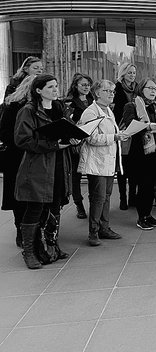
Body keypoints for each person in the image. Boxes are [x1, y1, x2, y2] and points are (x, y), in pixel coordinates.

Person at [14, 74, 73, 269]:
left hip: (58, 164)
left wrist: (73, 137)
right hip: (38, 166)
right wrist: (54, 144)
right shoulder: (28, 111)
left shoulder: (59, 108)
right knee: (35, 208)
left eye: (56, 86)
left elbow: (68, 130)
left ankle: (51, 247)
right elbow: (23, 140)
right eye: (50, 87)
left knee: (55, 207)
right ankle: (29, 252)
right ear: (38, 90)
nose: (56, 90)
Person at [77, 80, 129, 246]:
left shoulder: (108, 110)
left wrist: (120, 134)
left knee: (106, 196)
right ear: (97, 93)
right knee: (98, 197)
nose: (111, 94)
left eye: (113, 91)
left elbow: (109, 132)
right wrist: (114, 137)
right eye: (107, 91)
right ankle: (93, 232)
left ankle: (104, 228)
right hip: (97, 161)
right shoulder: (90, 112)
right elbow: (90, 138)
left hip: (108, 159)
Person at [121, 78, 156, 230]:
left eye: (155, 89)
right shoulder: (131, 105)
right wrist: (148, 127)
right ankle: (141, 217)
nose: (152, 91)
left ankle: (148, 215)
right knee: (143, 186)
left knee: (151, 185)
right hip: (139, 152)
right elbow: (130, 124)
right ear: (141, 89)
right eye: (149, 88)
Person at [0, 75, 36, 248]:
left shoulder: (41, 106)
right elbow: (4, 131)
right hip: (16, 156)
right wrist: (23, 142)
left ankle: (31, 229)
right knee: (17, 195)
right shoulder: (12, 105)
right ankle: (20, 230)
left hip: (35, 154)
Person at [64, 73, 94, 219]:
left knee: (92, 175)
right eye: (83, 84)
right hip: (77, 143)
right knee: (76, 176)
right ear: (75, 86)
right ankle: (79, 205)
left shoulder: (92, 99)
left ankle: (94, 204)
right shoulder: (69, 102)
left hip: (92, 141)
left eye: (88, 84)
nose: (86, 87)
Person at [113, 62, 138, 210]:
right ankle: (123, 197)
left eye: (134, 73)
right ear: (123, 74)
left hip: (136, 130)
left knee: (134, 167)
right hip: (122, 129)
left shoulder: (138, 89)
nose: (132, 75)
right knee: (123, 167)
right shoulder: (117, 89)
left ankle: (133, 196)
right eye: (129, 73)